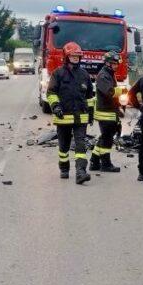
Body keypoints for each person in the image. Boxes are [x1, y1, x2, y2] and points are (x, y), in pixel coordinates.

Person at [47, 41, 93, 185]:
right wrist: (55, 107)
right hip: (63, 116)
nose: (75, 58)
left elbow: (90, 97)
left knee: (80, 145)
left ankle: (80, 172)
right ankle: (64, 168)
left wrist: (91, 113)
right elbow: (51, 93)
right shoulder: (58, 73)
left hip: (80, 116)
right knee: (64, 146)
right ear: (66, 57)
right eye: (73, 56)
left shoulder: (84, 75)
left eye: (77, 56)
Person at [90, 51, 124, 173]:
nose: (116, 66)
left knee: (105, 137)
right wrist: (123, 90)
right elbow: (109, 92)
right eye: (114, 63)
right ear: (107, 63)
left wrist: (118, 108)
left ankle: (94, 161)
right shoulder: (104, 75)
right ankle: (106, 164)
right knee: (107, 139)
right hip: (105, 112)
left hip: (110, 111)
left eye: (117, 63)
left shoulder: (109, 74)